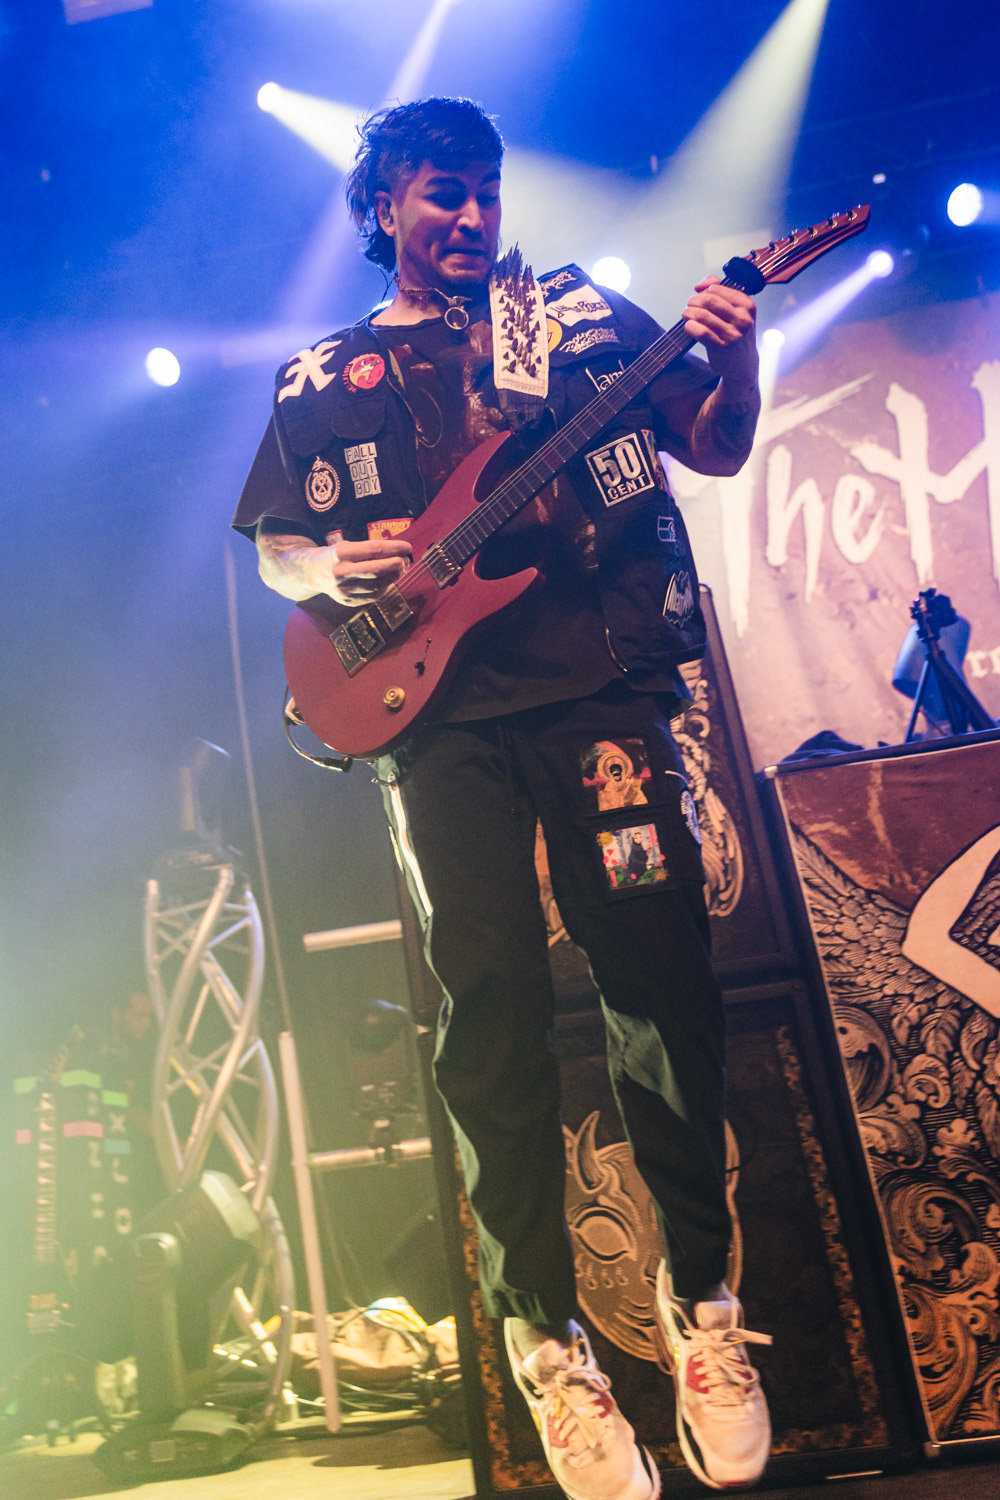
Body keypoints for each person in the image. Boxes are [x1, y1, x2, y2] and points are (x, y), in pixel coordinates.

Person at [234, 96, 771, 1497]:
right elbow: (278, 546)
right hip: (437, 721)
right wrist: (329, 570)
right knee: (489, 1017)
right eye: (442, 194)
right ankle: (549, 1347)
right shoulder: (322, 374)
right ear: (385, 209)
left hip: (598, 693)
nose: (471, 217)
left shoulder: (574, 316)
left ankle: (706, 1309)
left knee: (661, 984)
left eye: (484, 191)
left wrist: (737, 350)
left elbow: (715, 445)